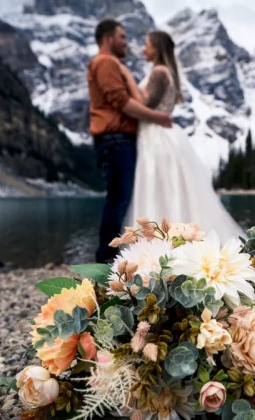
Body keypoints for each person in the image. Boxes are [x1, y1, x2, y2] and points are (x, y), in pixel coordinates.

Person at [118, 29, 244, 240]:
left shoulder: (159, 72)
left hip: (155, 135)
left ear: (156, 49)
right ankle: (173, 239)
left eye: (147, 45)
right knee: (168, 187)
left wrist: (127, 79)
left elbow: (145, 103)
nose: (143, 48)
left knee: (155, 187)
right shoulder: (166, 71)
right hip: (160, 134)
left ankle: (159, 241)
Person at [88, 19, 173, 264]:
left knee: (120, 198)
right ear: (107, 39)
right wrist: (157, 117)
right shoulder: (105, 62)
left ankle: (113, 256)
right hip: (115, 139)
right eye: (122, 37)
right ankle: (106, 257)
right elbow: (121, 102)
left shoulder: (112, 64)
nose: (127, 42)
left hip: (118, 140)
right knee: (118, 198)